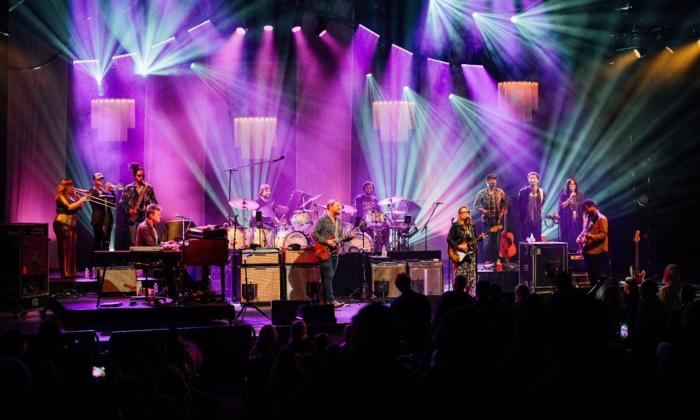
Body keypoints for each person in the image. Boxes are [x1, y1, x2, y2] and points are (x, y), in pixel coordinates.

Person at [311, 200, 356, 308]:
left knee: (328, 277)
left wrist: (350, 237)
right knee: (328, 276)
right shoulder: (322, 220)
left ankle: (323, 301)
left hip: (335, 252)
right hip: (324, 251)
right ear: (330, 206)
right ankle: (331, 301)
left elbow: (341, 238)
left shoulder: (339, 222)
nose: (340, 208)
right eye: (338, 206)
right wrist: (326, 241)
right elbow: (314, 234)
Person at [53, 179, 89, 278]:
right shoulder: (60, 197)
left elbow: (80, 206)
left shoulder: (70, 197)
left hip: (71, 224)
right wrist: (81, 199)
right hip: (63, 223)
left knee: (71, 249)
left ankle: (71, 272)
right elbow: (69, 207)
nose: (73, 188)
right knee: (64, 249)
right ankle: (64, 273)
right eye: (71, 186)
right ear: (66, 187)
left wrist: (78, 196)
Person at [119, 162, 157, 246]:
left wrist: (148, 201)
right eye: (139, 175)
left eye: (143, 175)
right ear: (134, 176)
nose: (141, 177)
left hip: (145, 220)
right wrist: (129, 210)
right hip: (132, 220)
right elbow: (121, 204)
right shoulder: (129, 188)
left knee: (145, 244)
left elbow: (155, 204)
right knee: (133, 244)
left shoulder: (149, 188)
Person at [473, 174, 508, 264]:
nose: (493, 182)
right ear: (487, 182)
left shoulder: (500, 192)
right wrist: (483, 211)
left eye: (494, 180)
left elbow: (505, 203)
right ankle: (488, 260)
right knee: (487, 242)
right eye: (491, 180)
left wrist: (502, 211)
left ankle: (496, 260)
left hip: (498, 221)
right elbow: (476, 205)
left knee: (496, 242)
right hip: (486, 221)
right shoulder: (481, 193)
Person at [447, 205, 482, 294]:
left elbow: (475, 238)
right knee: (461, 277)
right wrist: (458, 247)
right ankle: (459, 295)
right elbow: (449, 239)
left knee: (472, 277)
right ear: (459, 214)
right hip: (459, 255)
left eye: (467, 212)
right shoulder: (456, 225)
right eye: (463, 212)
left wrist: (480, 237)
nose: (466, 214)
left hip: (471, 254)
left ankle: (470, 296)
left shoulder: (471, 225)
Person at [577, 199, 608, 288]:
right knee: (590, 275)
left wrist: (591, 236)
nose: (585, 212)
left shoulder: (602, 218)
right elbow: (584, 230)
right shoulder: (588, 218)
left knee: (596, 275)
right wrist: (579, 237)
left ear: (592, 206)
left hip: (596, 251)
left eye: (586, 209)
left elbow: (604, 234)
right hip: (587, 251)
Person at [89, 172, 116, 251]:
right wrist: (106, 190)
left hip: (108, 221)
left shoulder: (105, 192)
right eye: (98, 180)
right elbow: (99, 203)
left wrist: (113, 192)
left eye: (101, 179)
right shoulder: (91, 192)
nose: (101, 181)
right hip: (98, 221)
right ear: (94, 181)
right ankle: (95, 263)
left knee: (107, 243)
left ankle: (106, 262)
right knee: (97, 243)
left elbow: (113, 203)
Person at [517, 171, 545, 241]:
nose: (532, 179)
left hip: (537, 220)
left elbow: (542, 203)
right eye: (530, 178)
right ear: (528, 180)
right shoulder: (523, 192)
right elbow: (519, 205)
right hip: (526, 220)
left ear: (537, 180)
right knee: (525, 241)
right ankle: (526, 252)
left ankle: (537, 252)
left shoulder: (541, 192)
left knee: (538, 241)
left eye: (534, 178)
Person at [558, 178, 584, 250]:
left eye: (574, 184)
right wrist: (570, 198)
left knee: (577, 235)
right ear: (568, 186)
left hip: (578, 219)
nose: (572, 185)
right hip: (567, 220)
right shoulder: (564, 195)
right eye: (570, 184)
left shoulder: (580, 195)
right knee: (568, 237)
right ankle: (567, 252)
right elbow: (562, 206)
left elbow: (582, 208)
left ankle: (578, 251)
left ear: (576, 186)